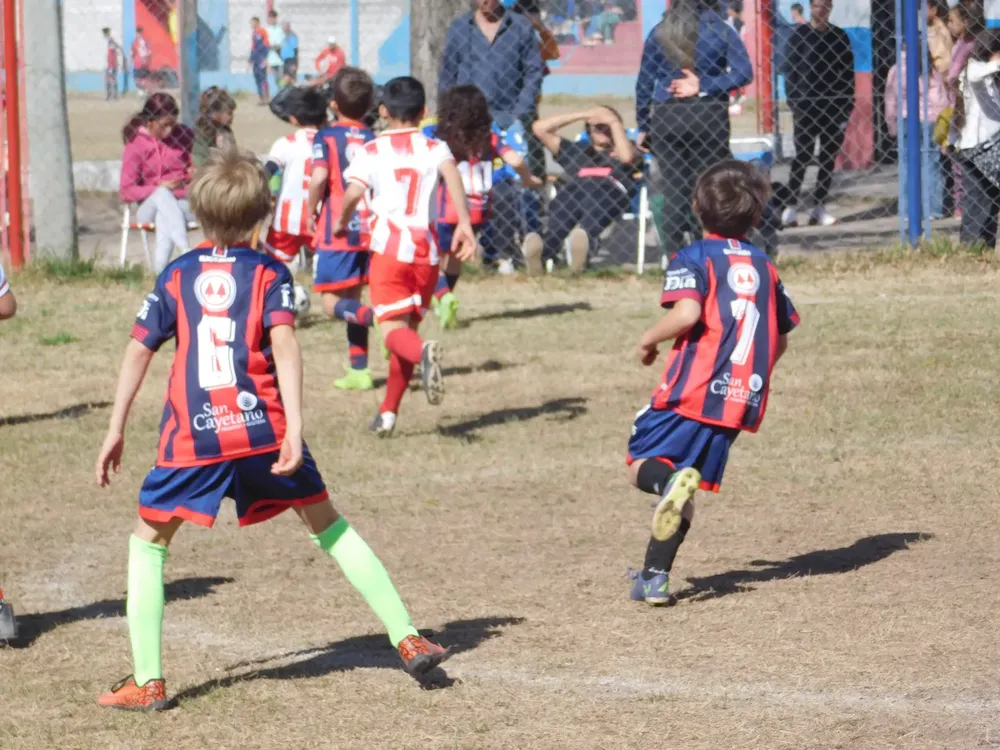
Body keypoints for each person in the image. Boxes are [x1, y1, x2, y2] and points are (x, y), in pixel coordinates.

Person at [94, 149, 450, 711]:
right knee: (329, 527)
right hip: (263, 429)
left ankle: (149, 680)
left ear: (198, 216)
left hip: (195, 437)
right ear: (261, 218)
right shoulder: (268, 272)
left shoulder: (178, 273)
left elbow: (139, 348)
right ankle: (406, 636)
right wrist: (295, 429)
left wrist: (115, 427)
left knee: (149, 543)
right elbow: (284, 343)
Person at [626, 160, 799, 605]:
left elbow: (686, 314)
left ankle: (665, 488)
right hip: (739, 399)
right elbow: (779, 337)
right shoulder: (765, 266)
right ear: (756, 216)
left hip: (691, 390)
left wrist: (646, 340)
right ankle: (654, 578)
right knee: (684, 481)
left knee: (641, 465)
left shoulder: (695, 257)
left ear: (695, 206)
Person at [335, 77, 477, 437]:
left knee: (393, 334)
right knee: (406, 335)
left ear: (382, 112)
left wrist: (340, 220)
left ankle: (424, 355)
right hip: (426, 256)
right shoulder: (434, 146)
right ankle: (388, 414)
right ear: (424, 112)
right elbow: (452, 176)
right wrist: (464, 224)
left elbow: (353, 193)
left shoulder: (370, 151)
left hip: (389, 252)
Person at [635, 0, 752, 259]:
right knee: (710, 184)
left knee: (675, 187)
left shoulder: (659, 31)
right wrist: (704, 85)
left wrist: (643, 124)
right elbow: (744, 72)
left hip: (668, 116)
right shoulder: (721, 30)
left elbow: (644, 81)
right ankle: (714, 250)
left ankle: (677, 257)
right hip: (707, 114)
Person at [428, 85, 540, 329]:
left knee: (431, 259)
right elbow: (516, 159)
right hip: (478, 211)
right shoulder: (490, 138)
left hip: (446, 210)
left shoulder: (442, 139)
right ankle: (446, 298)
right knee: (456, 258)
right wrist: (529, 179)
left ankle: (442, 296)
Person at [308, 68, 378, 392]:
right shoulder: (373, 138)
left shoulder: (326, 136)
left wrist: (311, 210)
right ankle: (359, 371)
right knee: (352, 297)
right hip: (368, 228)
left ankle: (378, 320)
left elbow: (320, 177)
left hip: (338, 229)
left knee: (329, 303)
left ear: (333, 103)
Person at [523, 106, 636, 273]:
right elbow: (539, 128)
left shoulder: (625, 148)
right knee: (560, 214)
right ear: (588, 128)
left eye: (606, 126)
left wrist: (612, 121)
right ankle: (542, 254)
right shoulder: (575, 150)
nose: (601, 130)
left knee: (592, 212)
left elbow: (627, 158)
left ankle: (583, 247)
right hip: (574, 190)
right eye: (597, 126)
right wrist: (584, 114)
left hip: (609, 190)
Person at [439, 0, 545, 176]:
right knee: (471, 179)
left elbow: (533, 72)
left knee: (514, 180)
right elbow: (448, 74)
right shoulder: (460, 27)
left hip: (509, 118)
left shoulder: (520, 26)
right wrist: (449, 114)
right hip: (467, 121)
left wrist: (519, 113)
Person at [781, 0, 854, 227]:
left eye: (824, 6)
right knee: (801, 157)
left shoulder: (839, 37)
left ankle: (818, 208)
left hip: (832, 109)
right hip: (806, 109)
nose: (820, 10)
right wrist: (795, 105)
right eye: (816, 6)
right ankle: (790, 207)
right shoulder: (799, 36)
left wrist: (845, 109)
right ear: (810, 8)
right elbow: (790, 71)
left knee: (827, 159)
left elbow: (847, 75)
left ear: (830, 8)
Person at [119, 93, 195, 272]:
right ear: (149, 122)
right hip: (148, 207)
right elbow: (126, 191)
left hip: (181, 204)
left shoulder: (184, 136)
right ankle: (185, 250)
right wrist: (157, 188)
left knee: (166, 215)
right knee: (162, 195)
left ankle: (159, 272)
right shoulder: (136, 145)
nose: (169, 131)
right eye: (164, 126)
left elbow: (195, 166)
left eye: (172, 125)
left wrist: (193, 174)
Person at [263, 87, 326, 269]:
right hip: (319, 219)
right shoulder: (330, 143)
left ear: (293, 118)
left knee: (273, 267)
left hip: (286, 219)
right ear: (324, 118)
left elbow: (269, 170)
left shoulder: (285, 143)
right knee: (322, 265)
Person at [885, 46, 949, 218]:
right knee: (931, 164)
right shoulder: (931, 71)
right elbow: (941, 99)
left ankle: (907, 211)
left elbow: (891, 100)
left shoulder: (896, 70)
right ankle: (933, 210)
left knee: (906, 164)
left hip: (906, 120)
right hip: (930, 121)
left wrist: (891, 124)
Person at [952, 30, 1000, 247]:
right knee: (976, 198)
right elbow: (975, 73)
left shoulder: (990, 77)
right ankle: (971, 243)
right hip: (977, 150)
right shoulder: (974, 69)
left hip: (989, 149)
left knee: (988, 197)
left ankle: (984, 242)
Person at [947, 4, 977, 215]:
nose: (948, 25)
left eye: (951, 20)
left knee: (965, 157)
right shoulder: (959, 43)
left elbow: (955, 74)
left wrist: (950, 80)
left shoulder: (971, 45)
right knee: (956, 156)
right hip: (955, 104)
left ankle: (966, 204)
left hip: (967, 106)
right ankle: (961, 204)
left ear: (965, 22)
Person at [192, 86, 237, 168]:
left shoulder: (226, 132)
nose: (232, 117)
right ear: (214, 114)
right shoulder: (201, 133)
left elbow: (234, 154)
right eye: (229, 113)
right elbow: (198, 161)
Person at [928, 0, 954, 77]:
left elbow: (943, 52)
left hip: (942, 68)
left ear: (934, 10)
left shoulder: (940, 28)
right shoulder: (930, 28)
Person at [249, 17, 271, 105]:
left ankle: (267, 98)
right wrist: (250, 58)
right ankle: (261, 98)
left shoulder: (262, 31)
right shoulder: (254, 33)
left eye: (252, 22)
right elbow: (253, 47)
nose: (251, 24)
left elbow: (267, 45)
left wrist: (265, 58)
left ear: (257, 22)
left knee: (263, 78)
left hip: (261, 59)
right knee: (257, 78)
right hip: (255, 60)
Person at [265, 10, 285, 93]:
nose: (272, 20)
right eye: (270, 18)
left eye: (274, 18)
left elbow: (282, 42)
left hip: (280, 58)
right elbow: (266, 43)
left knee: (282, 78)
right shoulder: (267, 30)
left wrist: (276, 46)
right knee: (276, 78)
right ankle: (280, 92)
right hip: (272, 59)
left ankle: (283, 91)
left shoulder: (280, 29)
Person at [131, 26, 152, 96]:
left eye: (137, 33)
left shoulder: (135, 42)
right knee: (143, 78)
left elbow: (132, 53)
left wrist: (131, 59)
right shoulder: (146, 42)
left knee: (138, 79)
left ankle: (143, 91)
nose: (137, 35)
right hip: (144, 62)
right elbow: (149, 52)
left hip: (139, 63)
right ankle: (145, 91)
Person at [103, 28, 123, 101]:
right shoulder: (110, 41)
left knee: (111, 79)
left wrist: (111, 64)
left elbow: (113, 51)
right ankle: (113, 95)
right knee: (110, 79)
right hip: (111, 64)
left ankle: (112, 96)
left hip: (111, 64)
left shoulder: (110, 41)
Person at [280, 21, 299, 87]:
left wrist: (295, 62)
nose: (282, 28)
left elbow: (295, 49)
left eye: (284, 27)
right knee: (286, 77)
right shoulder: (285, 36)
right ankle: (284, 90)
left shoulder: (292, 36)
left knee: (291, 77)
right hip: (285, 60)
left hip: (291, 60)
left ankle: (294, 91)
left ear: (288, 27)